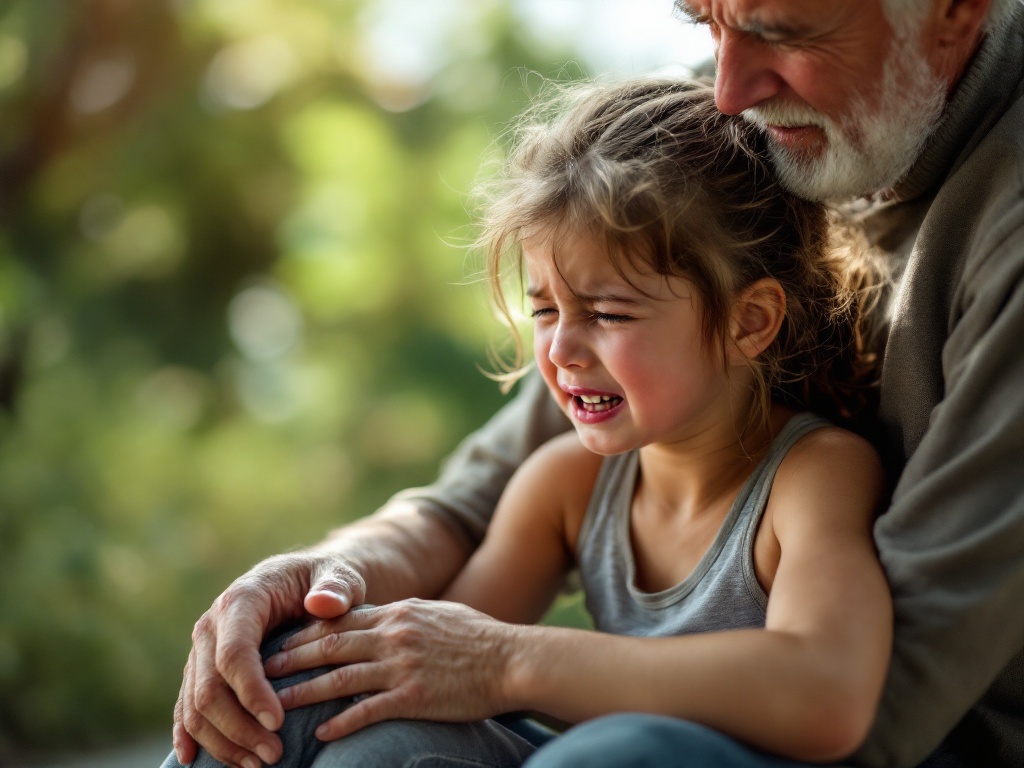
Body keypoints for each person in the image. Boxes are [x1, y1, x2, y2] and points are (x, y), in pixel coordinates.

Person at [169, 0, 1024, 766]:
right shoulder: (713, 139)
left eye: (778, 30)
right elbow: (434, 628)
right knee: (304, 704)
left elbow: (843, 701)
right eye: (704, 22)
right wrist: (308, 604)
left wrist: (512, 660)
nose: (727, 90)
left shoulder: (815, 475)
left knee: (612, 754)